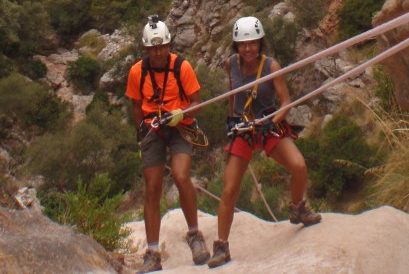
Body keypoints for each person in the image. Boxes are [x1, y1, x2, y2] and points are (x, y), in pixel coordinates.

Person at [207, 15, 321, 268]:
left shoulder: (271, 67)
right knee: (229, 189)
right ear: (236, 46)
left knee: (299, 167)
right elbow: (233, 94)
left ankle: (297, 208)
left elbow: (285, 101)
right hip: (243, 128)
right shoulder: (231, 65)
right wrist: (231, 119)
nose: (248, 49)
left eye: (253, 44)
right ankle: (221, 246)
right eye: (243, 44)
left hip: (268, 126)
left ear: (260, 43)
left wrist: (273, 120)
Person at [126, 15, 210, 273]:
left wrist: (181, 114)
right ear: (146, 49)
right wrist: (142, 133)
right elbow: (136, 105)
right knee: (152, 187)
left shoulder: (181, 67)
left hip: (179, 125)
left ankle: (194, 234)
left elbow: (198, 104)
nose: (158, 52)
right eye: (153, 48)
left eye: (161, 46)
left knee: (181, 175)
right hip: (153, 127)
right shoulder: (137, 71)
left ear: (169, 45)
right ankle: (152, 252)